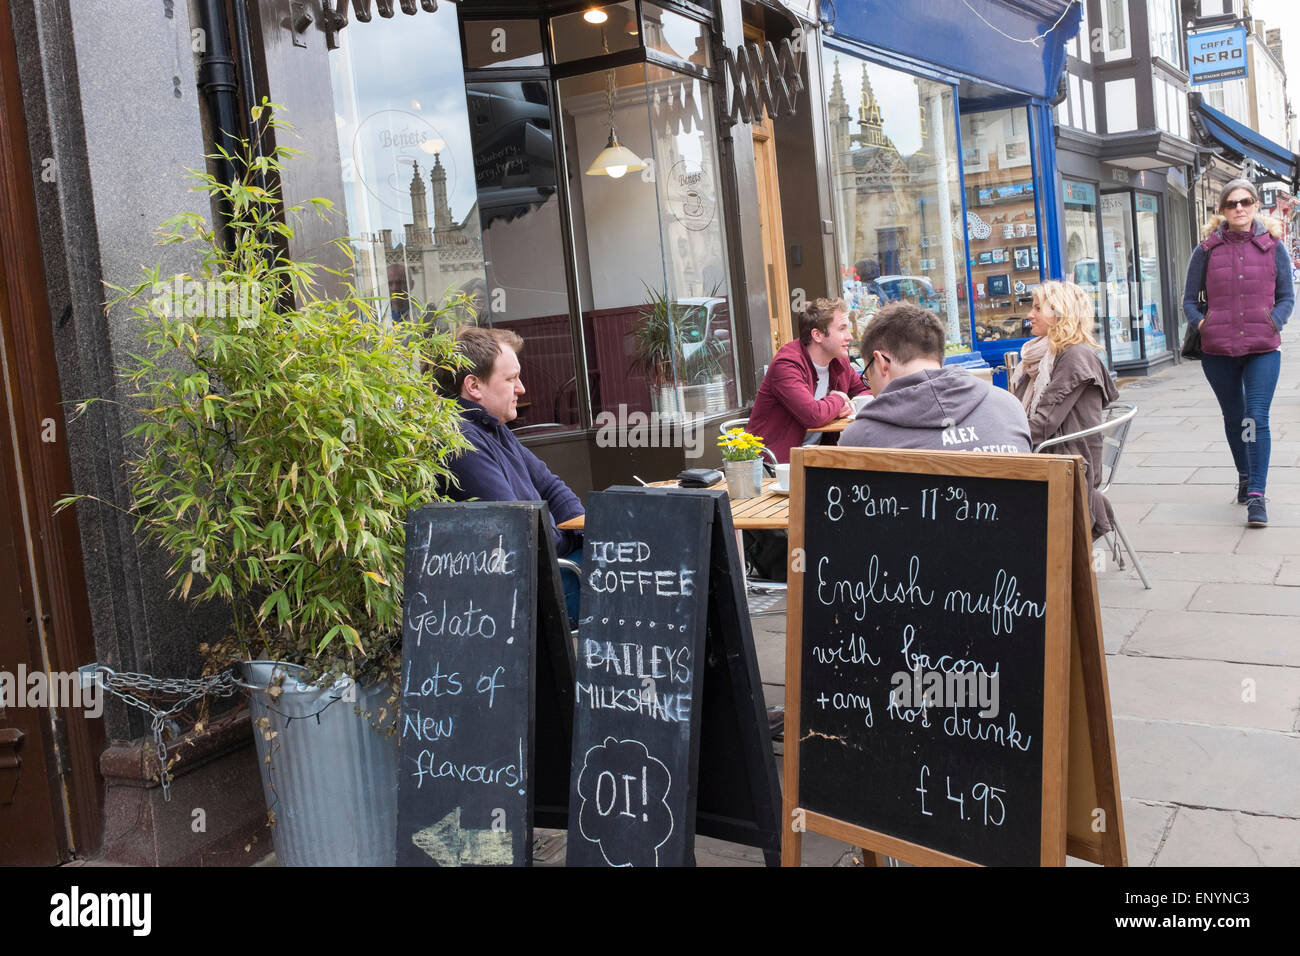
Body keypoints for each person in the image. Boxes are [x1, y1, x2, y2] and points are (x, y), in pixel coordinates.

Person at [434, 326, 585, 617]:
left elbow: (551, 486)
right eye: (511, 378)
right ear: (474, 386)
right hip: (532, 596)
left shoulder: (492, 427)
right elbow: (523, 530)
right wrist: (575, 538)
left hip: (554, 567)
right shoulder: (461, 442)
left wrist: (580, 529)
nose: (522, 389)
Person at [1182, 178, 1293, 528]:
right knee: (1236, 418)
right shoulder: (1205, 251)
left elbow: (1288, 297)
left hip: (1262, 348)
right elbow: (1188, 300)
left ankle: (1257, 496)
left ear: (1257, 205)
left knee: (1256, 417)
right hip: (1219, 351)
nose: (1239, 208)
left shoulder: (1273, 247)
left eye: (1246, 202)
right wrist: (1203, 324)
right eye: (1232, 204)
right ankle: (1244, 474)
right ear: (1222, 211)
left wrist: (1273, 321)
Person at [841, 302, 1031, 452]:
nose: (870, 387)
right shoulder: (1009, 407)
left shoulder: (860, 439)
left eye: (867, 375)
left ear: (881, 362)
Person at [1011, 281, 1119, 538]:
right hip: (1054, 452)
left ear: (1060, 314)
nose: (1029, 314)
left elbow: (1042, 424)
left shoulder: (1074, 357)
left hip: (1068, 462)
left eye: (1038, 308)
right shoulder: (1044, 355)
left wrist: (1003, 442)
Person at [747, 297, 869, 464]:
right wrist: (839, 399)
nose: (849, 336)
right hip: (775, 465)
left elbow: (866, 391)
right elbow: (813, 415)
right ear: (817, 335)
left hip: (817, 460)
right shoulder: (787, 364)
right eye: (842, 329)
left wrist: (850, 405)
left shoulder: (838, 360)